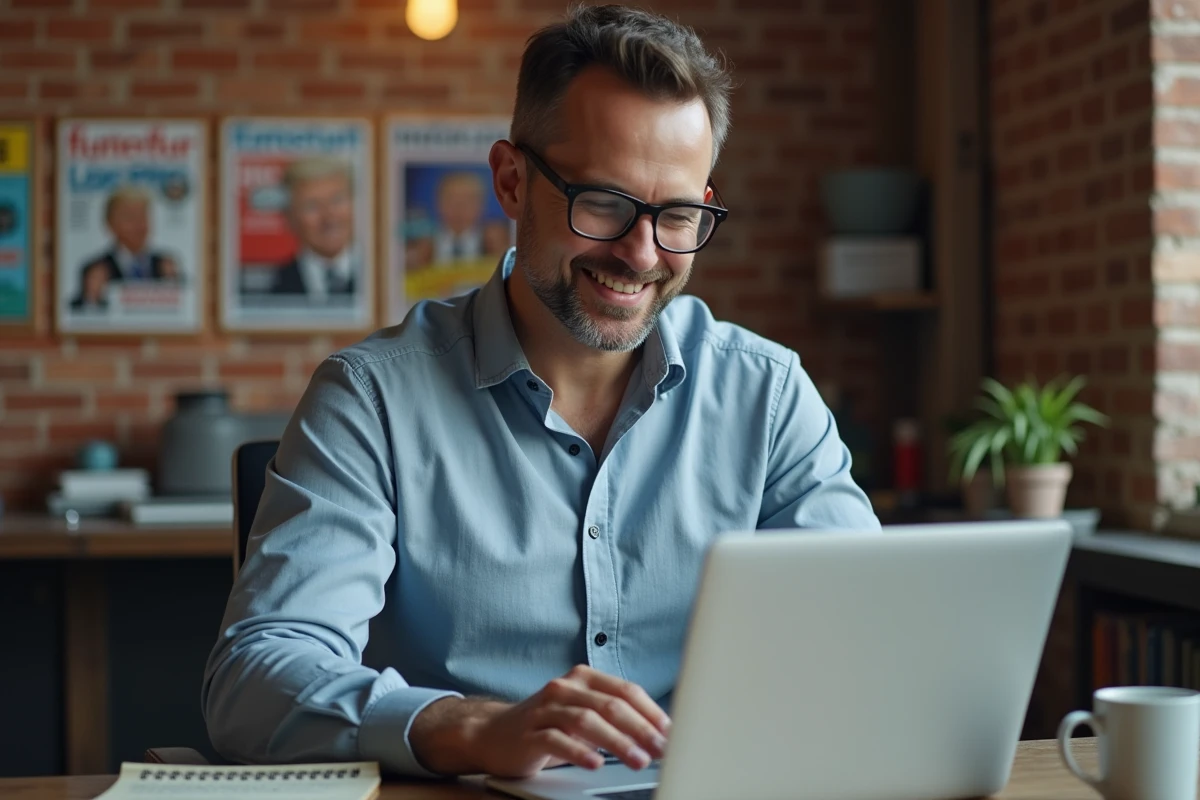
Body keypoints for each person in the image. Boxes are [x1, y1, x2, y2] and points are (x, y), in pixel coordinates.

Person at [203, 4, 879, 782]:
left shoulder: (767, 395)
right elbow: (252, 682)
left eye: (678, 215)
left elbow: (862, 637)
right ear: (511, 181)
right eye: (604, 204)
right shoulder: (371, 401)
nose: (641, 253)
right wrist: (466, 728)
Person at [71, 185, 179, 307]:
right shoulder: (96, 268)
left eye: (143, 217)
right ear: (111, 224)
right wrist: (91, 297)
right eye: (131, 218)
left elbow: (188, 308)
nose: (139, 226)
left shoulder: (165, 265)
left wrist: (174, 285)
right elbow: (75, 312)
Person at [269, 156, 357, 298]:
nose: (329, 217)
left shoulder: (386, 274)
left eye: (337, 200)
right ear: (290, 217)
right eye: (312, 206)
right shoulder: (270, 287)